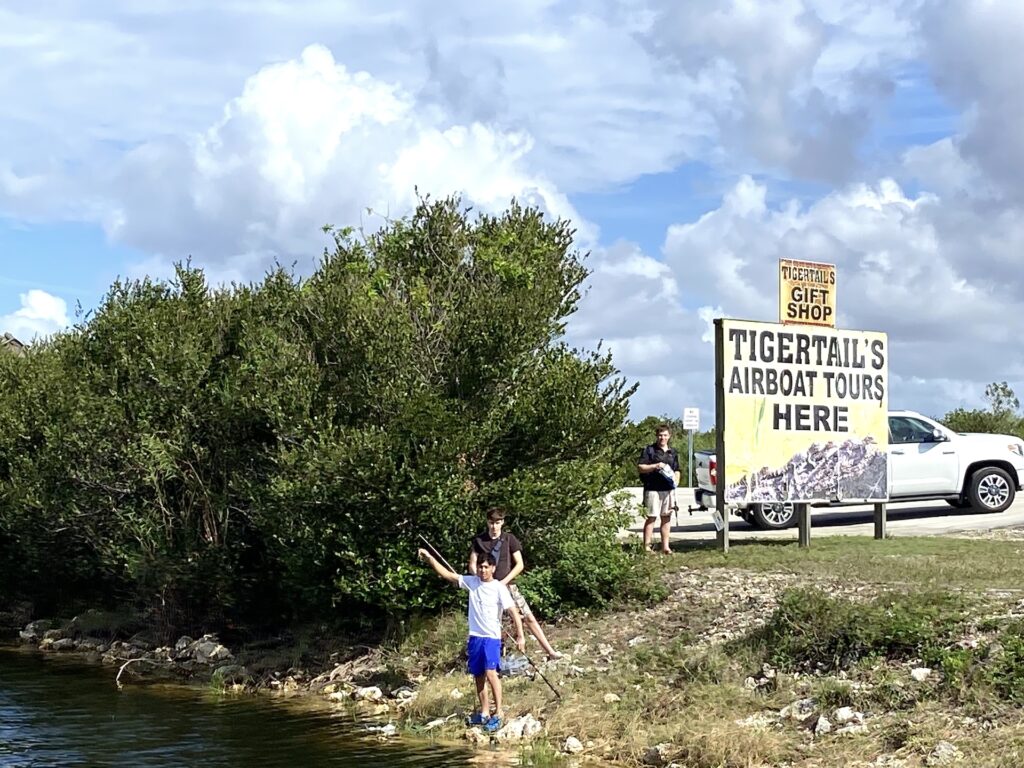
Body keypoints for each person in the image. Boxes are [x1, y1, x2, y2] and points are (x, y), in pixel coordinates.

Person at [418, 547, 525, 733]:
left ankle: (499, 712)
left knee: (491, 673)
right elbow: (447, 575)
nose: (482, 570)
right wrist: (429, 559)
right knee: (478, 675)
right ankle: (484, 712)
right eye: (480, 567)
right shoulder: (471, 582)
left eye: (486, 567)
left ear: (492, 568)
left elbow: (513, 612)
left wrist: (520, 636)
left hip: (491, 638)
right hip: (475, 637)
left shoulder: (499, 588)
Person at [468, 507, 562, 660]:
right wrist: (479, 579)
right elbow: (472, 564)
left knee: (528, 617)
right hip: (487, 589)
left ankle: (550, 651)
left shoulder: (509, 539)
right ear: (487, 522)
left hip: (508, 586)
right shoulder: (479, 541)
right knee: (493, 625)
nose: (494, 526)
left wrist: (503, 582)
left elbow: (519, 564)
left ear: (502, 522)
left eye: (497, 522)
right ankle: (493, 661)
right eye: (491, 522)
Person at [638, 424, 680, 554]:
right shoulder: (649, 450)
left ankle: (665, 547)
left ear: (669, 436)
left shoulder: (673, 452)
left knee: (666, 517)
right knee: (651, 517)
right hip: (652, 488)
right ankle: (647, 546)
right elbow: (641, 467)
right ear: (657, 436)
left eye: (665, 435)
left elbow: (677, 469)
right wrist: (656, 466)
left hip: (668, 489)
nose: (663, 438)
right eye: (660, 435)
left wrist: (676, 480)